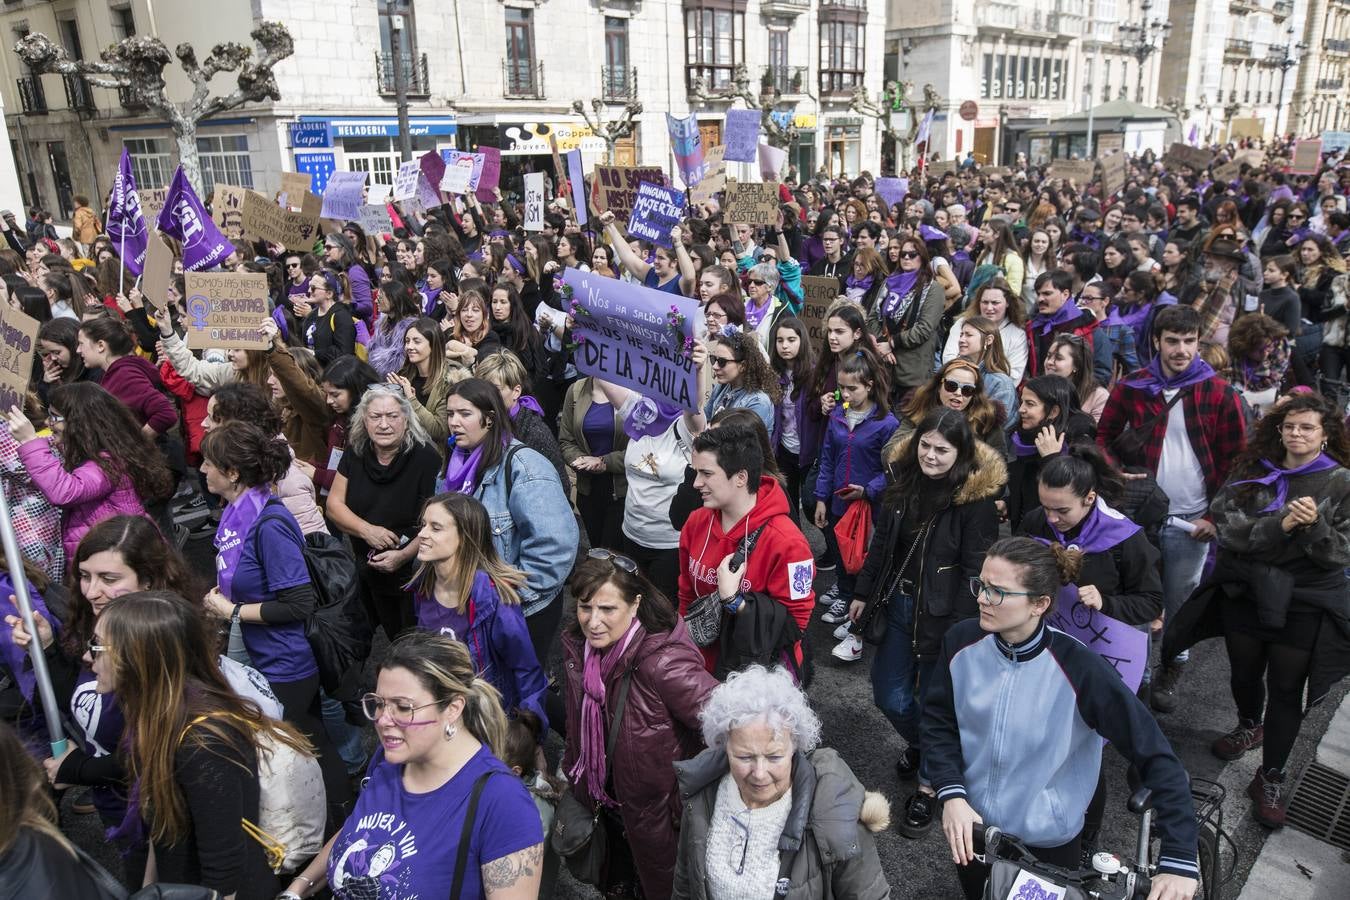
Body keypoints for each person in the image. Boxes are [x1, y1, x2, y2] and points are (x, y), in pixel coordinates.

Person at [924, 537, 1200, 900]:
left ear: (1040, 603)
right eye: (981, 585)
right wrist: (952, 793)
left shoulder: (1081, 668)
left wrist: (1179, 858)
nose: (981, 598)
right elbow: (938, 722)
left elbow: (1154, 753)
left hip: (1046, 846)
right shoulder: (960, 641)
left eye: (997, 591)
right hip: (972, 830)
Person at [1165, 394, 1350, 827]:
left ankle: (1271, 777)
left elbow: (1341, 552)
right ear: (1278, 429)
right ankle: (1250, 723)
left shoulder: (1341, 482)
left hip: (1303, 602)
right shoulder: (1254, 469)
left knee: (1287, 690)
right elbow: (1228, 526)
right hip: (1246, 593)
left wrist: (1313, 527)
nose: (1297, 434)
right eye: (1290, 426)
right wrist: (1280, 525)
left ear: (1325, 435)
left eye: (1307, 427)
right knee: (1244, 671)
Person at [282, 631, 545, 900]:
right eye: (381, 704)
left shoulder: (503, 802)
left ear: (453, 709)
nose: (383, 720)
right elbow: (360, 828)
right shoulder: (391, 757)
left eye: (403, 707)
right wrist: (297, 888)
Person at [845, 409, 1003, 837]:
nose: (931, 456)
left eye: (943, 449)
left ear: (962, 452)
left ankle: (931, 785)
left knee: (939, 705)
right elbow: (882, 543)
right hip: (899, 605)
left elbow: (977, 571)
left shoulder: (976, 501)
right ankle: (927, 745)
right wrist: (862, 592)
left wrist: (962, 630)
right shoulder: (902, 483)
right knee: (889, 695)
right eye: (926, 446)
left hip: (944, 619)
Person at [97, 590, 315, 899]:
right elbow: (162, 828)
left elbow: (224, 867)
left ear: (138, 656)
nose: (87, 656)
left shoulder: (204, 742)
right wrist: (149, 890)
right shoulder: (158, 717)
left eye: (97, 646)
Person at [1097, 305, 1247, 713]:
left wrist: (1214, 518)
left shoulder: (1219, 393)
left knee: (1179, 601)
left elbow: (1239, 464)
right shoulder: (1133, 386)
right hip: (1139, 516)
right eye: (1173, 341)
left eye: (1189, 341)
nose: (1181, 349)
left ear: (1199, 342)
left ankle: (1173, 663)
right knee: (1140, 596)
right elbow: (1103, 437)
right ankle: (1139, 673)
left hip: (1191, 521)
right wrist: (1116, 475)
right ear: (1157, 342)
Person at [560, 553, 718, 900]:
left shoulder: (663, 663)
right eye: (585, 607)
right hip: (610, 809)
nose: (593, 621)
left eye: (607, 609)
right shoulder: (580, 650)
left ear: (635, 606)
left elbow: (728, 726)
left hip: (658, 822)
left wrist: (681, 801)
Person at [671, 665, 891, 900]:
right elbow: (686, 882)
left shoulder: (834, 812)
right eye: (745, 757)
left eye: (774, 757)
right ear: (724, 747)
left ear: (795, 746)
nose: (759, 773)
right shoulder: (703, 791)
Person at [442, 378, 578, 669]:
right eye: (450, 413)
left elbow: (554, 549)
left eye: (464, 414)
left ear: (489, 419)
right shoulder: (455, 463)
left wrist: (507, 598)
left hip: (519, 611)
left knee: (519, 697)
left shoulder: (525, 467)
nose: (454, 422)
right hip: (471, 603)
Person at [678, 423, 816, 677]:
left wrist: (735, 601)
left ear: (741, 477)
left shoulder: (788, 542)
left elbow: (796, 625)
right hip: (702, 667)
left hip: (756, 677)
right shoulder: (696, 522)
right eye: (695, 472)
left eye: (706, 474)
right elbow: (686, 594)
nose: (696, 483)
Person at [410, 493, 548, 730]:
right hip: (445, 709)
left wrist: (530, 733)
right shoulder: (422, 583)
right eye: (423, 525)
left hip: (488, 716)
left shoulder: (494, 598)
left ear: (464, 537)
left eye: (436, 528)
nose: (422, 534)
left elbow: (525, 668)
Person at [5, 383, 173, 562]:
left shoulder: (108, 464)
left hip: (119, 558)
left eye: (54, 417)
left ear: (79, 423)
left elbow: (63, 491)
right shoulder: (101, 454)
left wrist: (29, 441)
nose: (47, 422)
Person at [326, 385, 442, 639]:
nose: (384, 424)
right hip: (365, 566)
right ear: (364, 420)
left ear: (406, 419)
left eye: (392, 416)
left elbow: (437, 523)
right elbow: (334, 505)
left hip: (412, 571)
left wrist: (403, 555)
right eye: (375, 417)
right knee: (351, 639)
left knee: (407, 642)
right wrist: (366, 530)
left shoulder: (426, 458)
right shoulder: (356, 452)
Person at [813, 352, 898, 621]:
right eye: (841, 388)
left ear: (870, 385)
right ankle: (845, 594)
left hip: (867, 507)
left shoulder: (888, 424)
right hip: (839, 501)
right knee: (840, 552)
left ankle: (857, 608)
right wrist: (821, 498)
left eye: (852, 388)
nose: (845, 394)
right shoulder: (838, 415)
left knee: (862, 559)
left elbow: (893, 470)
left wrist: (868, 490)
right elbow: (827, 458)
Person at [866, 235, 945, 406]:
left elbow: (924, 328)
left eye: (912, 254)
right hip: (884, 368)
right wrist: (883, 346)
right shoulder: (889, 283)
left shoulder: (933, 289)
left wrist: (892, 343)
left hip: (912, 372)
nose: (907, 258)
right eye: (903, 254)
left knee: (906, 426)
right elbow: (872, 317)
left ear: (922, 257)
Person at [76, 317, 178, 436]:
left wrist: (137, 445)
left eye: (81, 344)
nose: (78, 350)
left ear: (100, 345)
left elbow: (166, 413)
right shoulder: (118, 371)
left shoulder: (124, 375)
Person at [560, 375, 629, 549]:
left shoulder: (634, 390)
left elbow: (644, 448)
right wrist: (579, 460)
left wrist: (605, 462)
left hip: (623, 492)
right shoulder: (576, 391)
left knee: (614, 557)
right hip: (588, 490)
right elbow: (566, 441)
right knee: (593, 555)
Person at [887, 359, 1008, 459]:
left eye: (967, 389)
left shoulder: (987, 419)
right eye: (951, 386)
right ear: (939, 386)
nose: (958, 393)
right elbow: (888, 453)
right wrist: (927, 430)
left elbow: (999, 466)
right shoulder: (919, 408)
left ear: (974, 394)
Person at [1025, 269, 1109, 383]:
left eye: (1047, 293)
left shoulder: (1089, 328)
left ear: (1065, 294)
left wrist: (1075, 395)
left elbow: (1101, 373)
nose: (1040, 299)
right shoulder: (1033, 327)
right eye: (1038, 293)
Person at [940, 277, 1029, 383]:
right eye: (985, 302)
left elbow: (1014, 375)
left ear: (1008, 303)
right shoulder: (962, 323)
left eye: (995, 303)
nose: (989, 308)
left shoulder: (1017, 334)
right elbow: (949, 358)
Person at [702, 330, 780, 436]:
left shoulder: (759, 402)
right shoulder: (721, 387)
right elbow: (705, 419)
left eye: (722, 362)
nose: (715, 366)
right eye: (713, 359)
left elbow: (741, 446)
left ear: (743, 365)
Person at [1044, 333, 1111, 423]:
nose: (1049, 362)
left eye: (1059, 358)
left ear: (1076, 365)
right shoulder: (1037, 389)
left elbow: (1098, 433)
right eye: (1048, 356)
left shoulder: (1099, 396)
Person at [299, 270, 357, 365]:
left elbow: (345, 353)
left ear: (329, 294)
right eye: (309, 286)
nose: (309, 291)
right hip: (314, 373)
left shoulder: (341, 316)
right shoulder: (312, 315)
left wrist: (314, 353)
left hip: (334, 375)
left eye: (313, 288)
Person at [367, 280, 421, 378]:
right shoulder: (382, 323)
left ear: (393, 299)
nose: (376, 301)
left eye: (380, 298)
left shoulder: (410, 328)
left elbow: (399, 363)